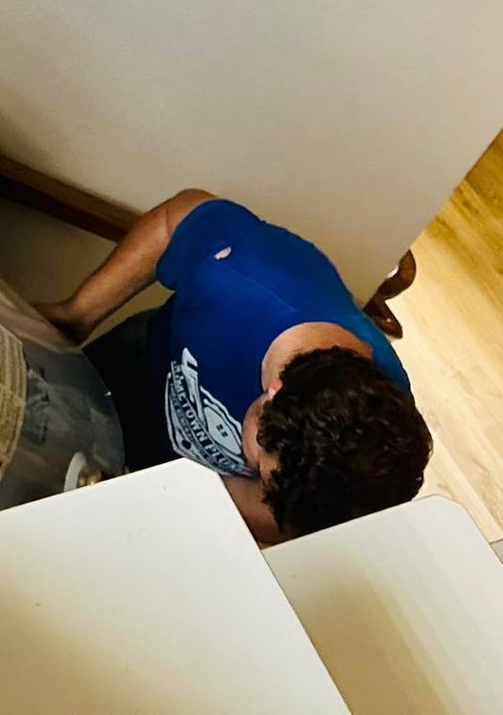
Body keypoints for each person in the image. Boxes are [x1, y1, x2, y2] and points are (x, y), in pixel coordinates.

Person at [39, 191, 431, 543]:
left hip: (175, 488)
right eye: (260, 471)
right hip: (134, 370)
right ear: (273, 392)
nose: (257, 485)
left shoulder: (380, 438)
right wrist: (77, 315)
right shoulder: (242, 275)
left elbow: (287, 516)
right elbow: (175, 220)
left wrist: (161, 497)